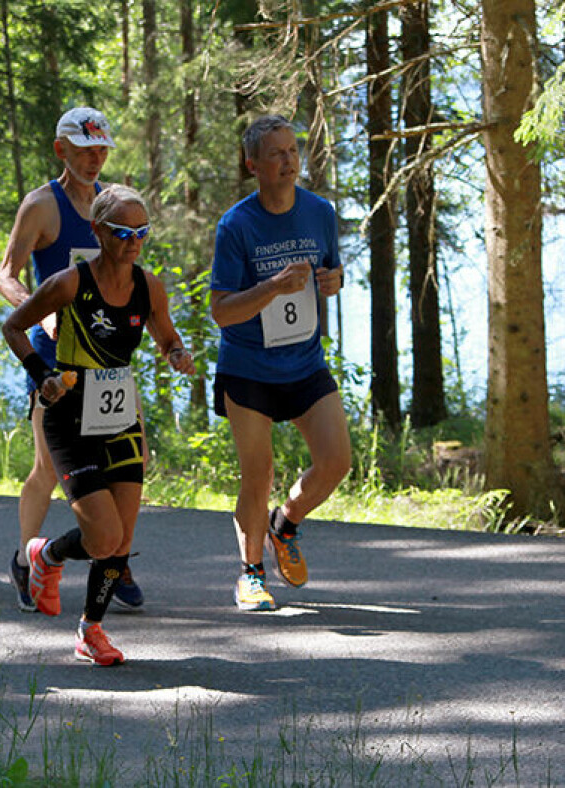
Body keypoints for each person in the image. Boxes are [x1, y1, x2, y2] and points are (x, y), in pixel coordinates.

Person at [3, 184, 194, 665]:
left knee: (120, 542)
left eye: (142, 232)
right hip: (70, 418)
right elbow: (13, 326)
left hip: (120, 417)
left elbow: (166, 336)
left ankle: (91, 630)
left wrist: (177, 353)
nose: (134, 242)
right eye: (122, 232)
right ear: (97, 231)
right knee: (102, 537)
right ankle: (46, 555)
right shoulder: (70, 283)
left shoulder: (149, 287)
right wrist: (41, 374)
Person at [0, 107, 145, 613]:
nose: (94, 159)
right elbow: (6, 274)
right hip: (55, 360)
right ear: (61, 150)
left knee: (130, 460)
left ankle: (115, 556)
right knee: (47, 468)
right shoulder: (43, 206)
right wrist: (39, 314)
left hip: (108, 361)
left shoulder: (114, 204)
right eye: (84, 150)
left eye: (101, 150)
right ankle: (26, 558)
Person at [209, 114, 350, 612]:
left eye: (293, 151)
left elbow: (333, 270)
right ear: (253, 165)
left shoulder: (320, 212)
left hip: (305, 361)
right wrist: (271, 287)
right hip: (248, 368)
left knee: (336, 462)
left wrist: (333, 281)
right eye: (277, 154)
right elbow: (221, 311)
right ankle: (250, 574)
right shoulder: (236, 225)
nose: (289, 161)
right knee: (258, 473)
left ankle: (285, 523)